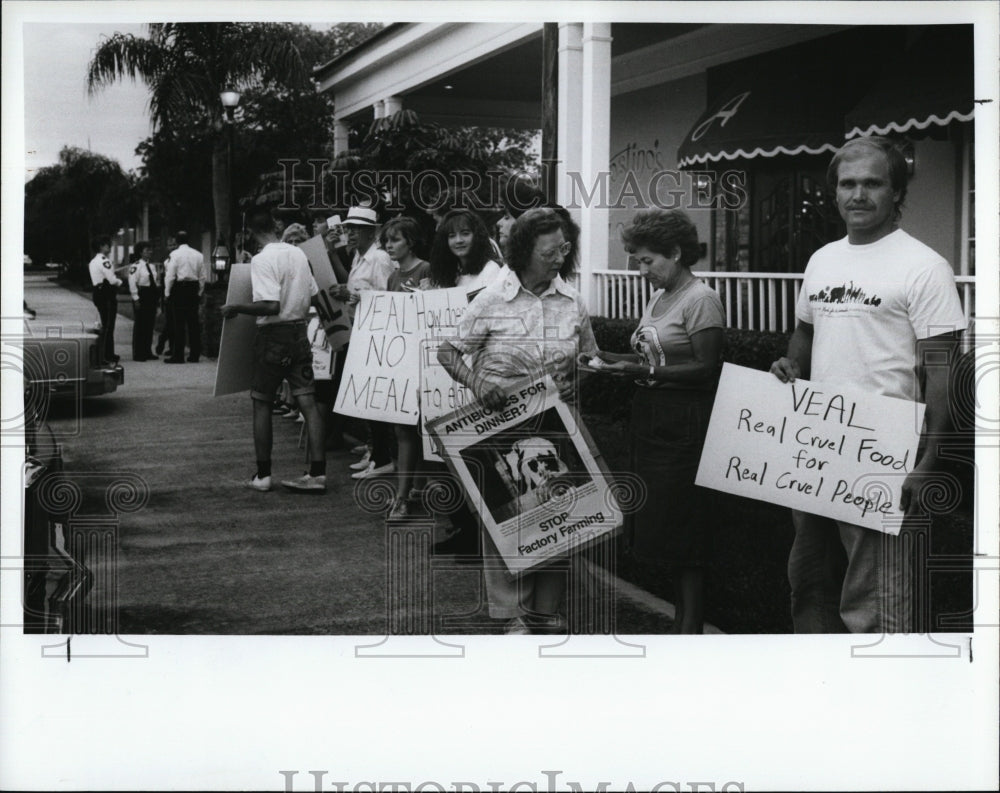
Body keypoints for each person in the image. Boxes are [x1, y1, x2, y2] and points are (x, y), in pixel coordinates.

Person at [769, 136, 966, 634]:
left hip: (884, 452)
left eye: (873, 183)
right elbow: (806, 332)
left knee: (876, 603)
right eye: (848, 183)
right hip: (815, 443)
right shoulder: (822, 260)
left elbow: (943, 372)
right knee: (809, 584)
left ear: (897, 192)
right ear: (834, 191)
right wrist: (791, 365)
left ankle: (882, 701)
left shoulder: (924, 266)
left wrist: (928, 462)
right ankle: (822, 692)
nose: (858, 194)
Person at [437, 207, 599, 635]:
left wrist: (575, 381)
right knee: (510, 522)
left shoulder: (573, 302)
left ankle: (545, 612)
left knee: (561, 520)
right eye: (550, 251)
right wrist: (476, 382)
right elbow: (448, 353)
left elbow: (587, 357)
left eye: (565, 249)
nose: (559, 258)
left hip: (557, 428)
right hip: (500, 430)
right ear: (524, 251)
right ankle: (512, 616)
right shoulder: (491, 299)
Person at [588, 209, 725, 634]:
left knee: (685, 536)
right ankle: (681, 625)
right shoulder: (660, 295)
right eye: (638, 261)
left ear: (676, 253)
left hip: (687, 428)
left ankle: (689, 631)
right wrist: (610, 360)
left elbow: (707, 368)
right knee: (664, 533)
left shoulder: (701, 299)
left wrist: (640, 373)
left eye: (648, 260)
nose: (642, 269)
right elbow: (654, 357)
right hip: (653, 426)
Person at [220, 210, 328, 493]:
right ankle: (318, 473)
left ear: (252, 235)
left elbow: (270, 305)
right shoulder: (299, 255)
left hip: (272, 335)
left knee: (262, 402)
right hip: (300, 332)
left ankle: (263, 474)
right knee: (308, 402)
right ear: (277, 227)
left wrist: (236, 308)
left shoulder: (262, 258)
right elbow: (314, 294)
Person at [329, 206, 397, 480]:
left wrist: (352, 293)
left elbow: (387, 296)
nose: (351, 234)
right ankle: (374, 451)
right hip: (359, 329)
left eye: (356, 229)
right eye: (349, 229)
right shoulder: (360, 257)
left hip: (375, 333)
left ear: (372, 231)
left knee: (374, 396)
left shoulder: (379, 258)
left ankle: (381, 456)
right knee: (366, 396)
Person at [379, 216, 432, 519]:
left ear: (410, 241)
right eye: (386, 240)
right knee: (402, 428)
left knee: (418, 427)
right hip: (400, 360)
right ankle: (408, 489)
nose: (389, 245)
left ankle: (410, 490)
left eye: (395, 239)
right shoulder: (392, 277)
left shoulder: (425, 270)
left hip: (421, 359)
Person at [163, 230, 207, 363]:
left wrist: (167, 292)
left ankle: (178, 355)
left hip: (180, 288)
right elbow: (203, 276)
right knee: (193, 323)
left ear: (176, 241)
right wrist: (199, 292)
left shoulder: (174, 254)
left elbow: (170, 275)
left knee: (179, 323)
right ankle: (195, 354)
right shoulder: (198, 255)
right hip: (193, 288)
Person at [88, 235, 121, 365]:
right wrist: (119, 281)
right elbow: (112, 280)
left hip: (98, 292)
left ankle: (107, 353)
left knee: (106, 324)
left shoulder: (93, 261)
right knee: (108, 326)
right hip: (106, 294)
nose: (109, 247)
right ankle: (106, 355)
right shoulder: (104, 261)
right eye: (107, 244)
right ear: (101, 246)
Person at [128, 241, 159, 361]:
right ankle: (138, 353)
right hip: (142, 295)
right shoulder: (136, 266)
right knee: (140, 325)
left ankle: (147, 351)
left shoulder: (151, 266)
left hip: (151, 296)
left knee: (149, 324)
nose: (150, 252)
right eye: (147, 250)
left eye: (150, 249)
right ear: (140, 252)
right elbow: (132, 282)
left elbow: (154, 282)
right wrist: (136, 298)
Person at [155, 237, 178, 357]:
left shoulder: (179, 259)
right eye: (170, 245)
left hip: (176, 293)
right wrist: (163, 296)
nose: (173, 247)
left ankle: (171, 347)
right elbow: (163, 279)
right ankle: (162, 342)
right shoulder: (166, 261)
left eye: (174, 245)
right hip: (168, 293)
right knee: (170, 322)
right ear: (167, 247)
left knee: (174, 322)